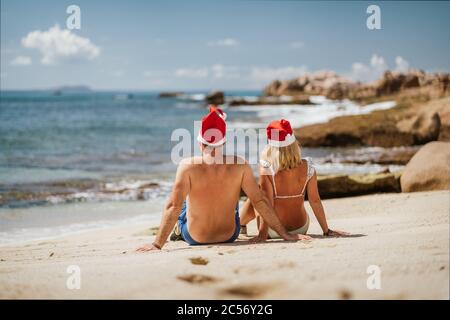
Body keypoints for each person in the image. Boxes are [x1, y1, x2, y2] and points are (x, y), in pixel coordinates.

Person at [137, 108, 311, 252]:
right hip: (230, 235)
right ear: (223, 142)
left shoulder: (187, 166)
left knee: (180, 202)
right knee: (233, 193)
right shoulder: (240, 165)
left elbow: (172, 207)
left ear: (200, 143)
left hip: (195, 237)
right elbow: (260, 200)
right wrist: (285, 234)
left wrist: (156, 244)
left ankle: (177, 230)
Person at [239, 119, 349, 242]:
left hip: (274, 230)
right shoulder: (308, 166)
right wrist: (326, 230)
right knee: (261, 194)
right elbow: (315, 201)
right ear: (293, 142)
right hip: (301, 227)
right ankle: (241, 224)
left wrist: (262, 235)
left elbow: (266, 204)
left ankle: (241, 224)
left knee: (257, 195)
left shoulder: (267, 168)